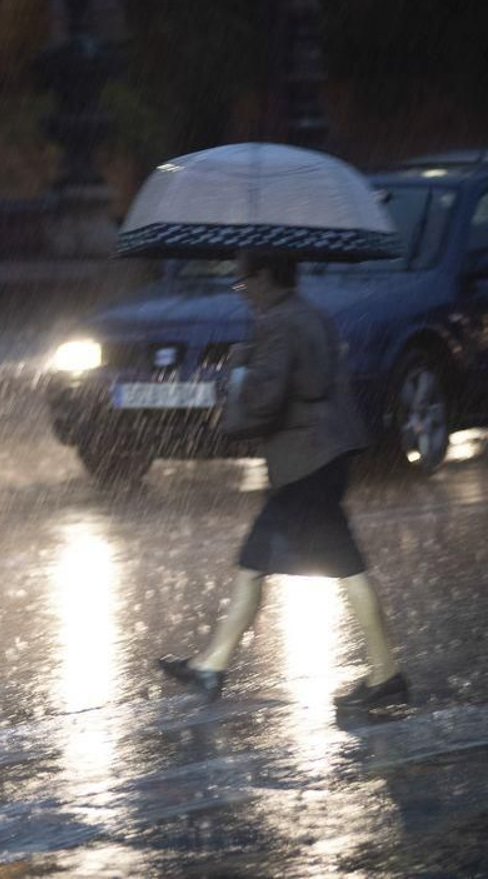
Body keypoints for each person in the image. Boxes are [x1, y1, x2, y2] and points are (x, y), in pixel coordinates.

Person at [159, 250, 407, 709]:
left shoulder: (278, 324)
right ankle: (211, 665)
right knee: (254, 562)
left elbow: (266, 399)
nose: (243, 293)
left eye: (243, 282)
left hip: (306, 464)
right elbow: (313, 382)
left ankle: (386, 672)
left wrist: (237, 372)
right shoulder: (310, 316)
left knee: (345, 567)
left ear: (267, 275)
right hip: (319, 457)